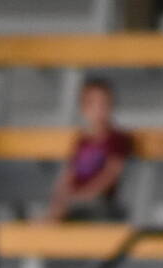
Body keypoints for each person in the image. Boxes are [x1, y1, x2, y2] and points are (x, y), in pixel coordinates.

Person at [46, 76, 133, 222]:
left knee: (63, 213)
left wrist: (83, 196)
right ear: (83, 108)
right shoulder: (82, 141)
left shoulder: (117, 139)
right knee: (54, 210)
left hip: (102, 203)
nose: (99, 109)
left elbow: (110, 176)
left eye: (104, 103)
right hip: (76, 201)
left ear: (111, 106)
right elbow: (70, 174)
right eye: (92, 104)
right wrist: (61, 196)